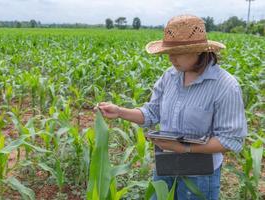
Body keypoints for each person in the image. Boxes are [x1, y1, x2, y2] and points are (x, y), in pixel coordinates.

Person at [94, 15, 247, 200]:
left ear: (198, 50)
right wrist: (119, 111)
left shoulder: (225, 86)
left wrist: (184, 148)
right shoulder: (170, 76)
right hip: (167, 165)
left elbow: (230, 140)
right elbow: (152, 112)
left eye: (177, 52)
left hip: (199, 174)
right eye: (169, 52)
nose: (171, 58)